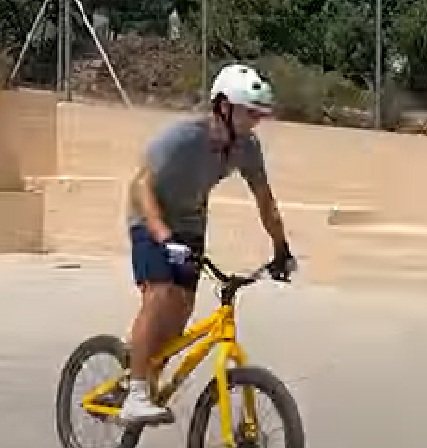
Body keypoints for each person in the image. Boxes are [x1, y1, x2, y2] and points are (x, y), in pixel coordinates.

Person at [120, 63, 297, 425]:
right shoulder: (183, 138)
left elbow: (265, 200)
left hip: (190, 223)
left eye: (259, 115)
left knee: (180, 311)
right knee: (160, 294)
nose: (255, 122)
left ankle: (143, 371)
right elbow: (141, 185)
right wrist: (163, 237)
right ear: (223, 107)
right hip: (150, 217)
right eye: (250, 113)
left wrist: (282, 249)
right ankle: (135, 392)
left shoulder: (247, 148)